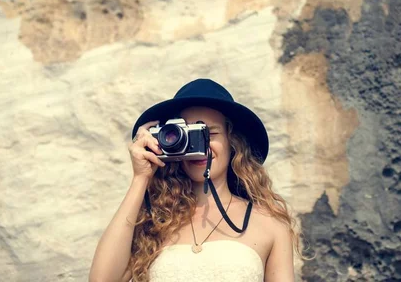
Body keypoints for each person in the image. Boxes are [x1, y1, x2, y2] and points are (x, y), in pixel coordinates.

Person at [89, 79, 300, 282]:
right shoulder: (153, 222)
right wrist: (140, 178)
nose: (199, 146)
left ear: (232, 142)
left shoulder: (270, 223)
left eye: (209, 133)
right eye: (189, 135)